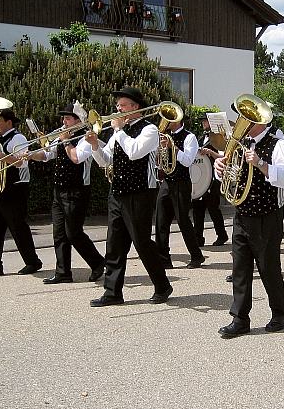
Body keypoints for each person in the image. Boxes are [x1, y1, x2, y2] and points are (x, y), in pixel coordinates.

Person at [86, 86, 172, 306]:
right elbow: (106, 160)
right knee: (114, 243)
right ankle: (112, 292)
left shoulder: (149, 129)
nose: (118, 109)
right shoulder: (119, 132)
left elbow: (135, 152)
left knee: (141, 242)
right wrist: (95, 145)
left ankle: (162, 285)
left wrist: (119, 131)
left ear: (135, 107)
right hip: (118, 192)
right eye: (118, 106)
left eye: (122, 106)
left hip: (140, 192)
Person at [214, 105, 284, 338]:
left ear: (260, 120)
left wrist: (260, 163)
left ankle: (279, 312)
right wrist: (220, 168)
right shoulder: (238, 143)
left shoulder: (278, 144)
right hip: (242, 213)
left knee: (269, 268)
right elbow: (228, 175)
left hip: (267, 215)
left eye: (246, 117)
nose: (241, 121)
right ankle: (240, 318)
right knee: (240, 268)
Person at [27, 101, 105, 284]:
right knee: (59, 233)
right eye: (64, 118)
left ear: (78, 120)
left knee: (73, 233)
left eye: (68, 118)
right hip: (59, 190)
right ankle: (63, 272)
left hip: (77, 191)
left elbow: (76, 158)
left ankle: (97, 262)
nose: (64, 121)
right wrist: (30, 154)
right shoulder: (62, 136)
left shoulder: (87, 137)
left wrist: (64, 140)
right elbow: (47, 155)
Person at [0, 109, 44, 277]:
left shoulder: (18, 138)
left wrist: (1, 156)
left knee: (18, 227)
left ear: (9, 122)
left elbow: (22, 163)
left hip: (14, 188)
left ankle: (33, 262)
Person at [155, 114, 206, 269]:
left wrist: (173, 149)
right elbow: (160, 162)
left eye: (170, 119)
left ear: (178, 120)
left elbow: (188, 161)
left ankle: (196, 256)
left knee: (183, 221)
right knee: (160, 221)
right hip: (167, 182)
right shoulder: (165, 136)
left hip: (181, 183)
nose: (166, 122)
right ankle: (163, 259)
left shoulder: (189, 137)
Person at [192, 113, 228, 247]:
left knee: (213, 208)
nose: (203, 124)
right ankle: (198, 238)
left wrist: (210, 152)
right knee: (197, 208)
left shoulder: (220, 139)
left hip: (214, 178)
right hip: (201, 178)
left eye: (205, 121)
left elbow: (224, 157)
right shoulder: (200, 138)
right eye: (202, 121)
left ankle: (222, 235)